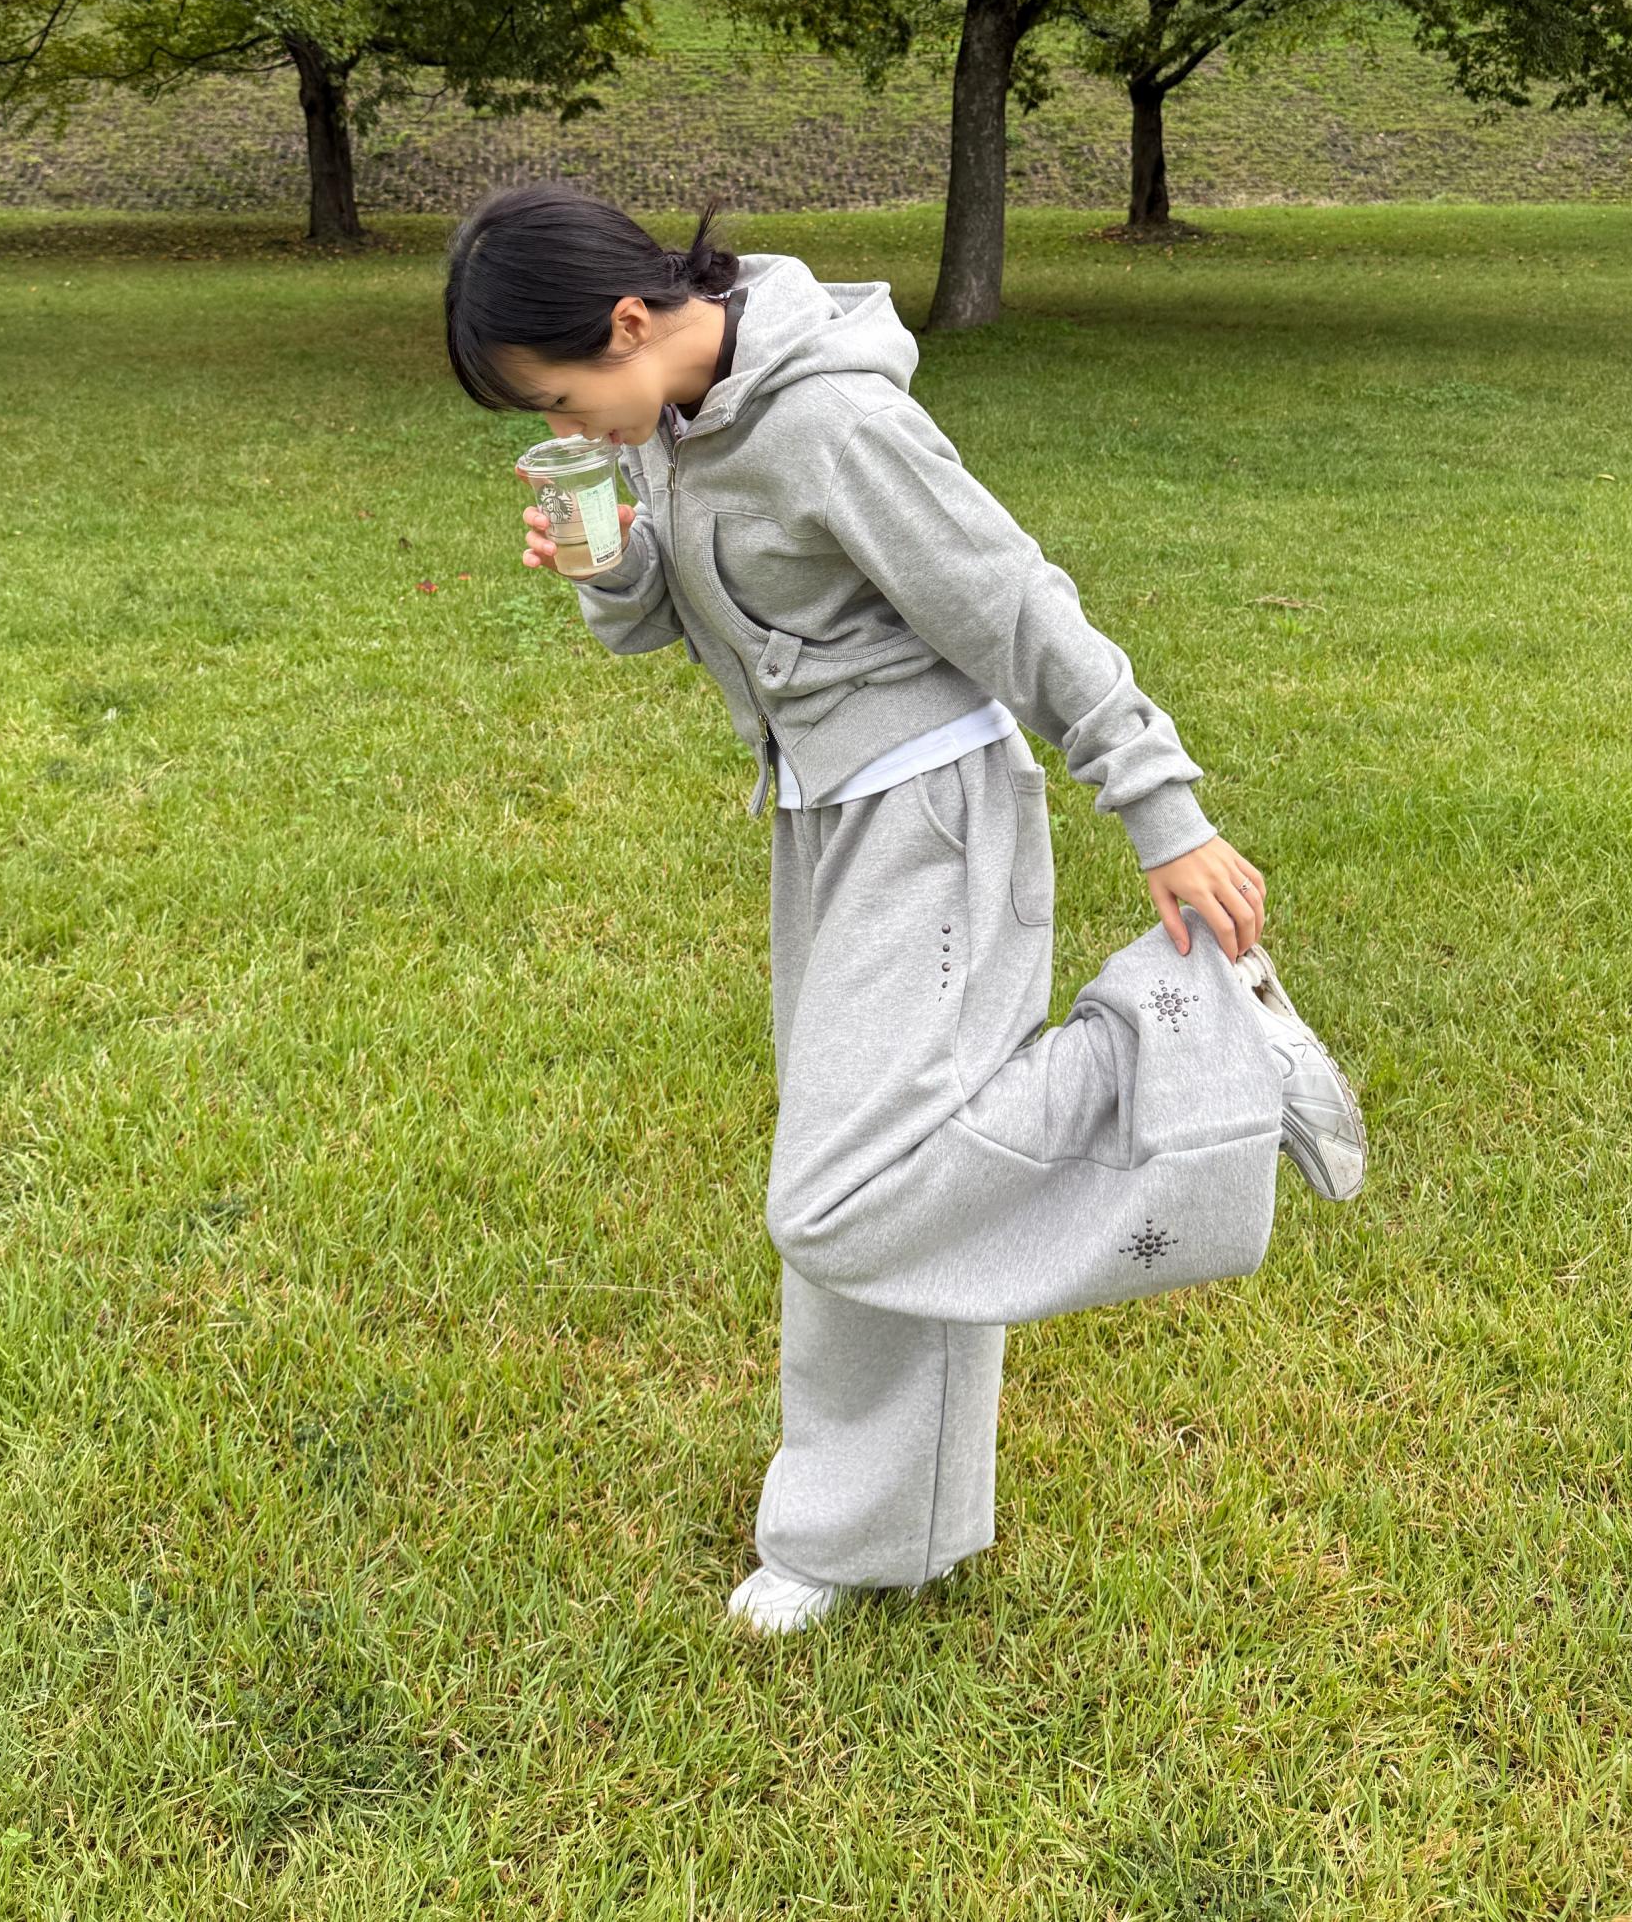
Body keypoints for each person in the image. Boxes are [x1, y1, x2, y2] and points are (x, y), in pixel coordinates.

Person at [444, 185, 1366, 1635]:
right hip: (824, 817)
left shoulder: (829, 422)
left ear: (628, 321)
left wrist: (1161, 804)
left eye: (565, 397)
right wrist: (610, 563)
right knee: (863, 1177)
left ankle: (1196, 1046)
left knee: (842, 1191)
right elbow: (669, 619)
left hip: (932, 816)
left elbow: (1014, 601)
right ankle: (872, 1530)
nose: (577, 427)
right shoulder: (676, 420)